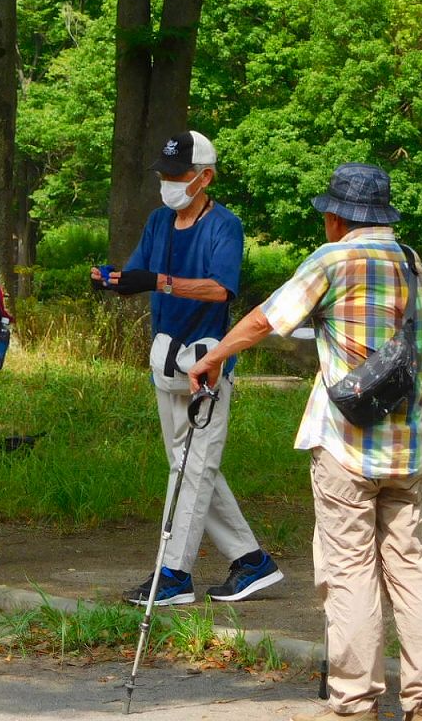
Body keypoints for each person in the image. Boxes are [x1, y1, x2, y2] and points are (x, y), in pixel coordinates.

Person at [188, 163, 422, 721]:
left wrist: (213, 356)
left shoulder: (334, 259)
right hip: (408, 445)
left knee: (350, 571)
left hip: (348, 446)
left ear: (336, 217)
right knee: (410, 567)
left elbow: (264, 320)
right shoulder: (412, 262)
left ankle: (355, 701)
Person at [91, 131, 282, 606]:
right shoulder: (158, 222)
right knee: (188, 465)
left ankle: (173, 573)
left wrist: (161, 282)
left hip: (208, 359)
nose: (169, 184)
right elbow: (139, 273)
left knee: (194, 467)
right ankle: (252, 561)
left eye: (178, 176)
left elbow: (220, 290)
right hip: (165, 356)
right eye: (165, 175)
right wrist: (113, 280)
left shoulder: (225, 226)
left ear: (205, 177)